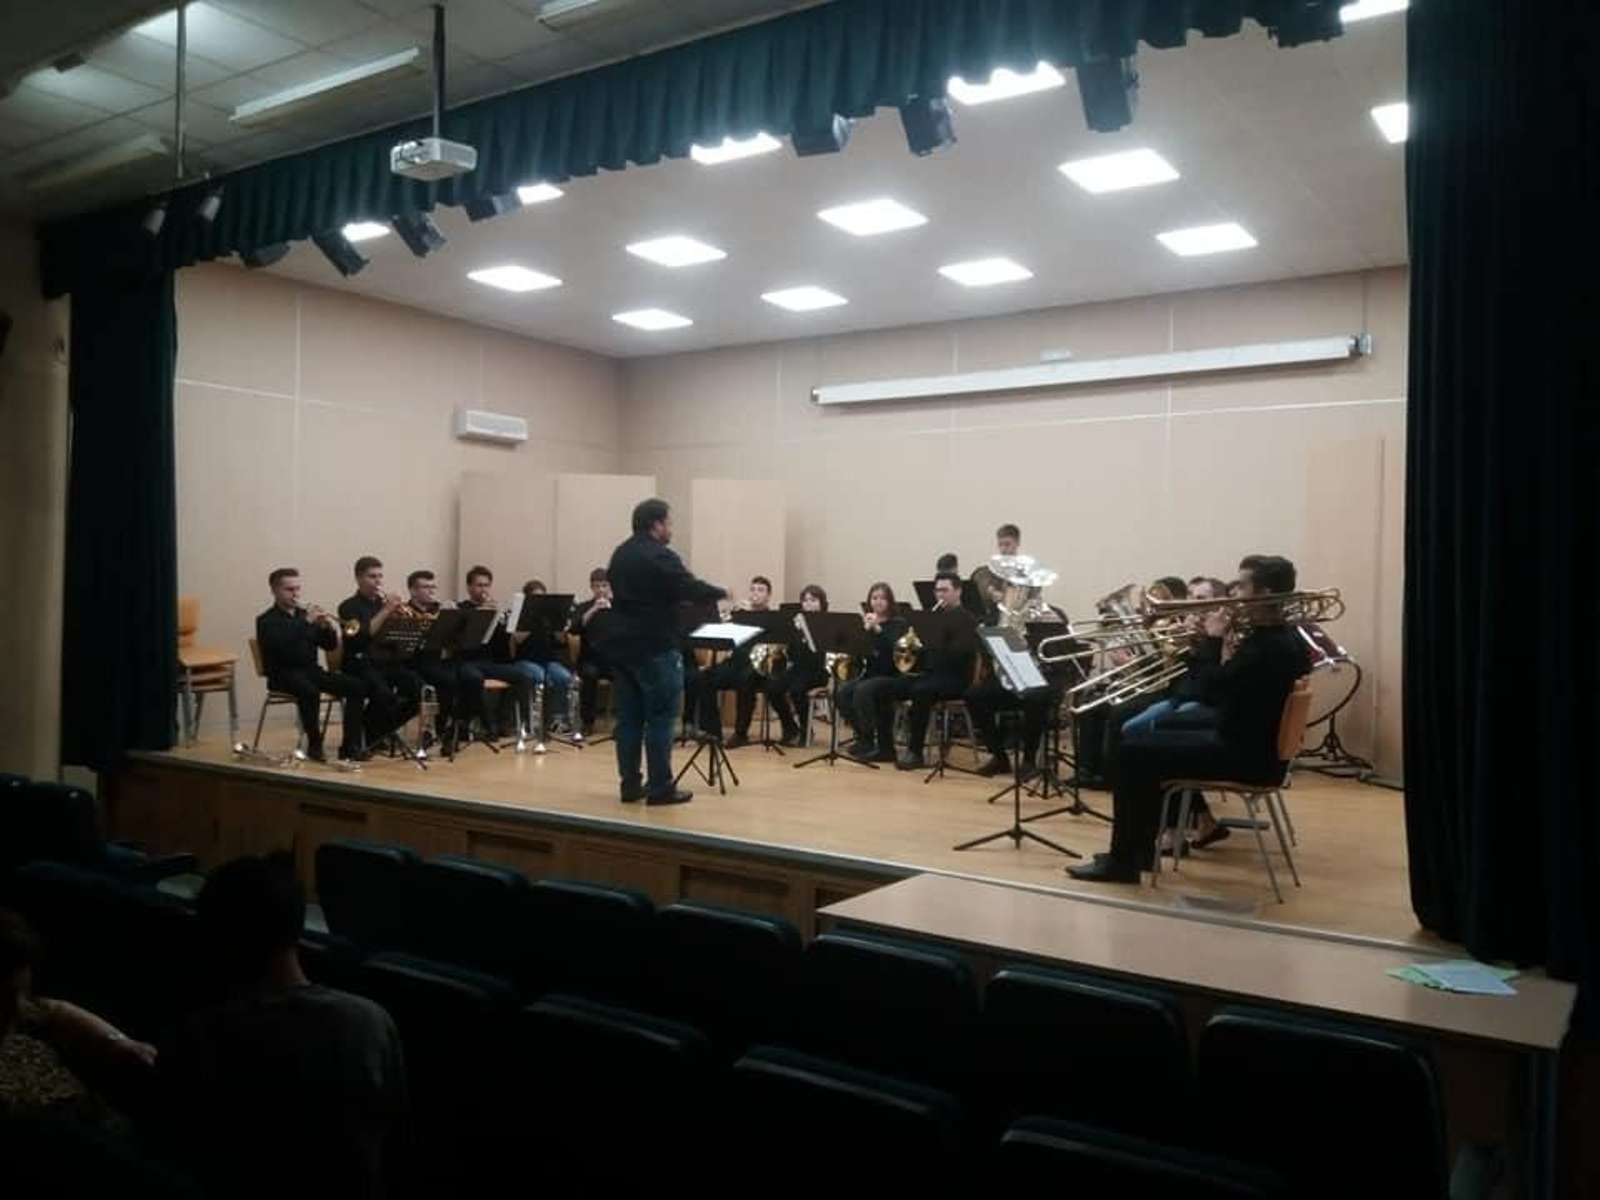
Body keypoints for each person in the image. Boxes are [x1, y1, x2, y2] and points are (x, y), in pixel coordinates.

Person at [161, 854, 408, 1199]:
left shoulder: (199, 1037)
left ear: (217, 940)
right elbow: (396, 1144)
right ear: (297, 925)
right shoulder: (370, 1022)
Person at [1068, 555, 1311, 883]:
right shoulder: (1284, 638)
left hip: (1243, 753)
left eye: (1241, 585)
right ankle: (1139, 851)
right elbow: (1227, 686)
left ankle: (1123, 861)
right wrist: (1205, 644)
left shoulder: (1269, 647)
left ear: (1263, 592)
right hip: (1250, 741)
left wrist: (1210, 641)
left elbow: (1214, 690)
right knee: (1143, 739)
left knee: (1131, 751)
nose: (1234, 592)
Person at [600, 498, 726, 805]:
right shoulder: (660, 555)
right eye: (669, 522)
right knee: (660, 718)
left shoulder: (620, 555)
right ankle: (660, 788)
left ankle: (630, 785)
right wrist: (721, 593)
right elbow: (689, 587)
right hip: (655, 646)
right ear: (656, 525)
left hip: (622, 649)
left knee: (628, 719)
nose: (671, 528)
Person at [1, 908, 155, 1133]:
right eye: (4, 999)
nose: (17, 1006)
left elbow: (47, 1008)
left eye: (21, 992)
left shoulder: (24, 1011)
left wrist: (120, 1042)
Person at [255, 567, 372, 762]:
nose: (296, 594)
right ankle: (315, 743)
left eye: (297, 588)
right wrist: (306, 623)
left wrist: (327, 629)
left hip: (310, 671)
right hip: (282, 675)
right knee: (309, 691)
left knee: (356, 686)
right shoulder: (266, 620)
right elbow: (280, 647)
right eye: (289, 589)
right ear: (275, 590)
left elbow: (330, 645)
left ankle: (350, 745)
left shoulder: (304, 616)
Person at [336, 556, 420, 743]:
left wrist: (402, 618)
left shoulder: (385, 605)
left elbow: (399, 636)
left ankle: (375, 732)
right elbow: (361, 635)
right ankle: (366, 738)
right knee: (384, 694)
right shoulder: (348, 607)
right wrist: (386, 611)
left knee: (418, 689)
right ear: (358, 578)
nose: (378, 581)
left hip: (385, 661)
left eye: (380, 576)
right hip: (359, 663)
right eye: (372, 576)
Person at [690, 575, 774, 747]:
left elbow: (772, 646)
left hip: (758, 665)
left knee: (746, 679)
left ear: (768, 596)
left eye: (761, 590)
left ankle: (741, 733)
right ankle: (712, 733)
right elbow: (725, 637)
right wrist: (733, 616)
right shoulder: (740, 613)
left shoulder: (771, 617)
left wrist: (751, 616)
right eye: (753, 589)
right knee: (705, 678)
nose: (755, 593)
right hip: (736, 661)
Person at [403, 569, 481, 751]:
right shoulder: (406, 611)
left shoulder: (439, 608)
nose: (431, 591)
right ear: (413, 591)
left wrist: (455, 618)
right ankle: (437, 731)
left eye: (432, 587)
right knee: (448, 682)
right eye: (425, 587)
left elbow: (461, 637)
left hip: (447, 660)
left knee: (474, 678)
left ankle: (457, 727)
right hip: (420, 662)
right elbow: (408, 646)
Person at [839, 582, 908, 762]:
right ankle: (864, 737)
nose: (878, 602)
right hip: (871, 674)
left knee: (864, 690)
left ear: (890, 601)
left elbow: (896, 652)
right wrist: (860, 633)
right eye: (874, 598)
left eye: (882, 598)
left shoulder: (899, 624)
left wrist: (878, 630)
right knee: (842, 693)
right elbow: (859, 653)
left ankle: (874, 743)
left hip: (894, 676)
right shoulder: (867, 623)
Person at [766, 584, 830, 746]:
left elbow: (821, 656)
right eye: (805, 600)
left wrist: (807, 635)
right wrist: (793, 635)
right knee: (772, 687)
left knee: (797, 690)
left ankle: (806, 730)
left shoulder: (828, 623)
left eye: (813, 600)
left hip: (818, 671)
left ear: (822, 603)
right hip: (798, 669)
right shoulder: (798, 622)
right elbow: (793, 656)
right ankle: (790, 727)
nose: (808, 604)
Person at [512, 580, 575, 734]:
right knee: (539, 676)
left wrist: (558, 623)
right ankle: (533, 720)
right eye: (535, 598)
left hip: (548, 661)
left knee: (564, 677)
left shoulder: (549, 616)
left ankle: (558, 720)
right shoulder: (518, 613)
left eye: (542, 598)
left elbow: (561, 640)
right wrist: (533, 618)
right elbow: (517, 639)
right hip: (524, 661)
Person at [567, 568, 614, 733]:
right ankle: (587, 722)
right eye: (596, 586)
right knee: (589, 674)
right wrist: (593, 610)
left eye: (604, 585)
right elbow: (573, 629)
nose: (600, 590)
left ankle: (626, 723)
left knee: (628, 675)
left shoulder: (618, 608)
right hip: (590, 659)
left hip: (612, 660)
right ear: (591, 588)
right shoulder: (584, 607)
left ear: (610, 586)